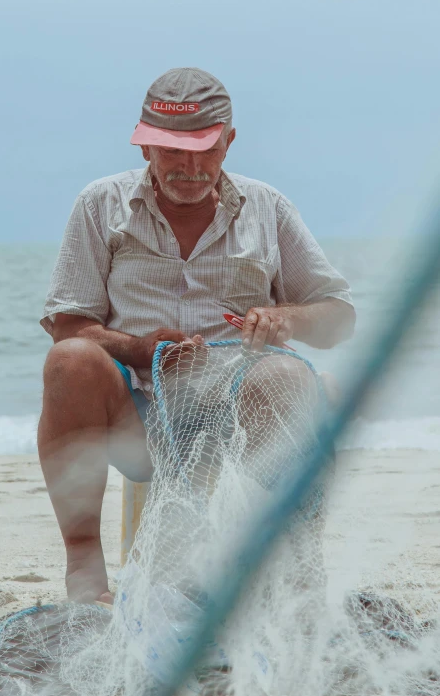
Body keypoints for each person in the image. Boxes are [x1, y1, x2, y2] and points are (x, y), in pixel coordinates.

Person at [38, 67, 355, 605]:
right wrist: (139, 349)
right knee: (71, 360)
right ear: (145, 149)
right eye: (171, 152)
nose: (189, 168)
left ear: (229, 142)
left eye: (204, 150)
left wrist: (285, 321)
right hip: (138, 420)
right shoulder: (100, 204)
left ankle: (299, 573)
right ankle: (85, 570)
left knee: (289, 375)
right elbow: (68, 323)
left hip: (243, 420)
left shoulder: (268, 208)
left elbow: (339, 317)